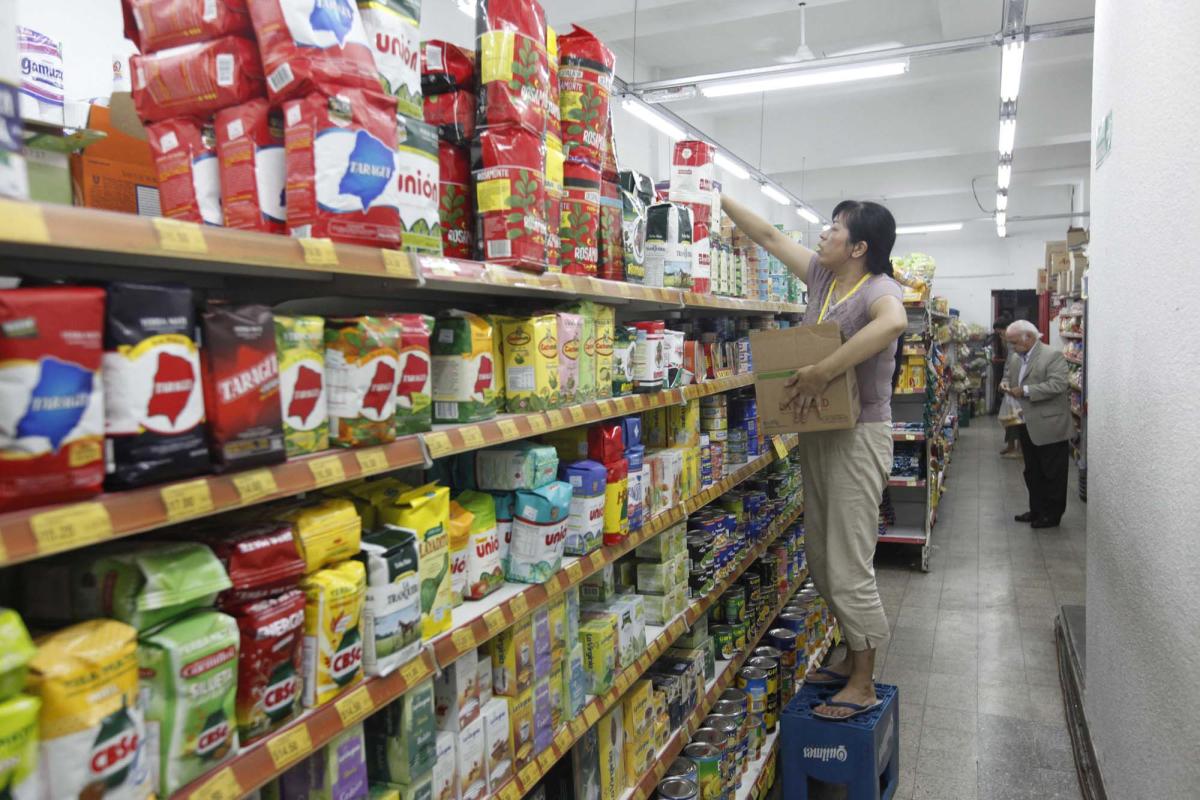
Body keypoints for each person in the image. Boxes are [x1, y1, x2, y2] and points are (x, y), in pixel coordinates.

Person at [722, 194, 907, 721]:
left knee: (849, 563)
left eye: (834, 229)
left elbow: (892, 323)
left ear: (859, 247)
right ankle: (852, 656)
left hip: (859, 437)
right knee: (822, 560)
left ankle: (865, 682)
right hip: (819, 433)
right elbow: (769, 237)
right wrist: (716, 194)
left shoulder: (879, 289)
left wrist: (825, 370)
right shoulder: (824, 279)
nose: (822, 235)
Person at [1001, 320, 1072, 528]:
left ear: (1029, 337)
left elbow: (1058, 385)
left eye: (1014, 342)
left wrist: (1025, 391)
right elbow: (1010, 376)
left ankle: (1052, 515)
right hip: (1027, 422)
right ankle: (1037, 509)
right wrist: (1006, 383)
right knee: (1032, 471)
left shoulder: (1052, 355)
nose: (1012, 347)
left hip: (1051, 425)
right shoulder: (1016, 358)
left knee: (1052, 472)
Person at [991, 318, 1022, 457]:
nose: (1000, 336)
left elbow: (1010, 364)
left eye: (1001, 332)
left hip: (1016, 384)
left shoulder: (1012, 342)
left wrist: (1005, 381)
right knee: (1011, 417)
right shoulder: (1009, 341)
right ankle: (1011, 446)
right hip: (1011, 382)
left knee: (1018, 417)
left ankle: (1018, 448)